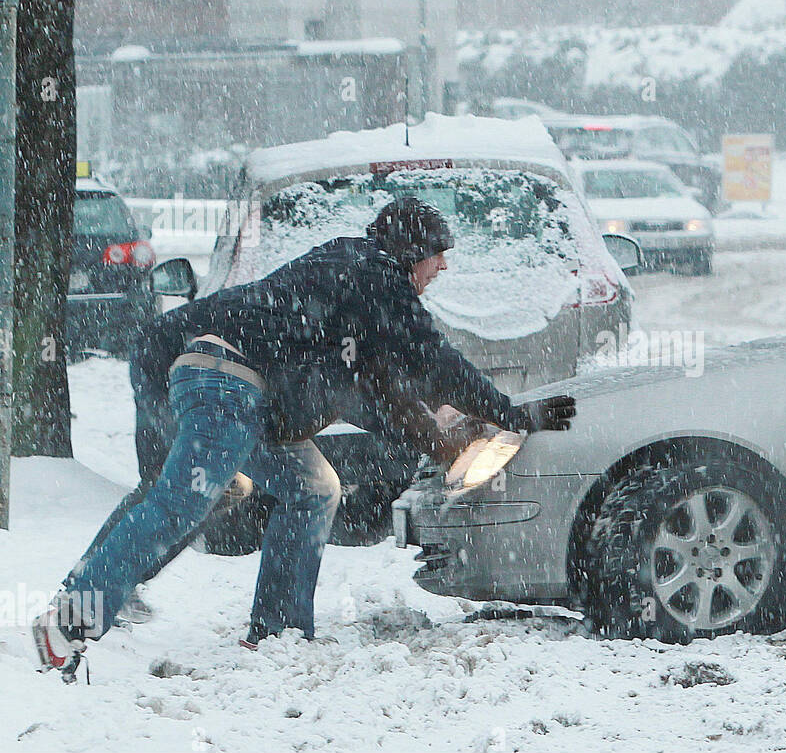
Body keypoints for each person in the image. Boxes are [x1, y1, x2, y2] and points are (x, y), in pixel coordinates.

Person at [33, 197, 575, 677]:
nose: (444, 266)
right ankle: (69, 618)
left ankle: (279, 630)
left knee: (313, 489)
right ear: (413, 251)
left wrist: (452, 443)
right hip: (221, 375)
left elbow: (390, 402)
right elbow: (432, 359)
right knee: (183, 499)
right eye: (440, 254)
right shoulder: (371, 272)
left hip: (255, 403)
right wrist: (510, 412)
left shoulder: (359, 313)